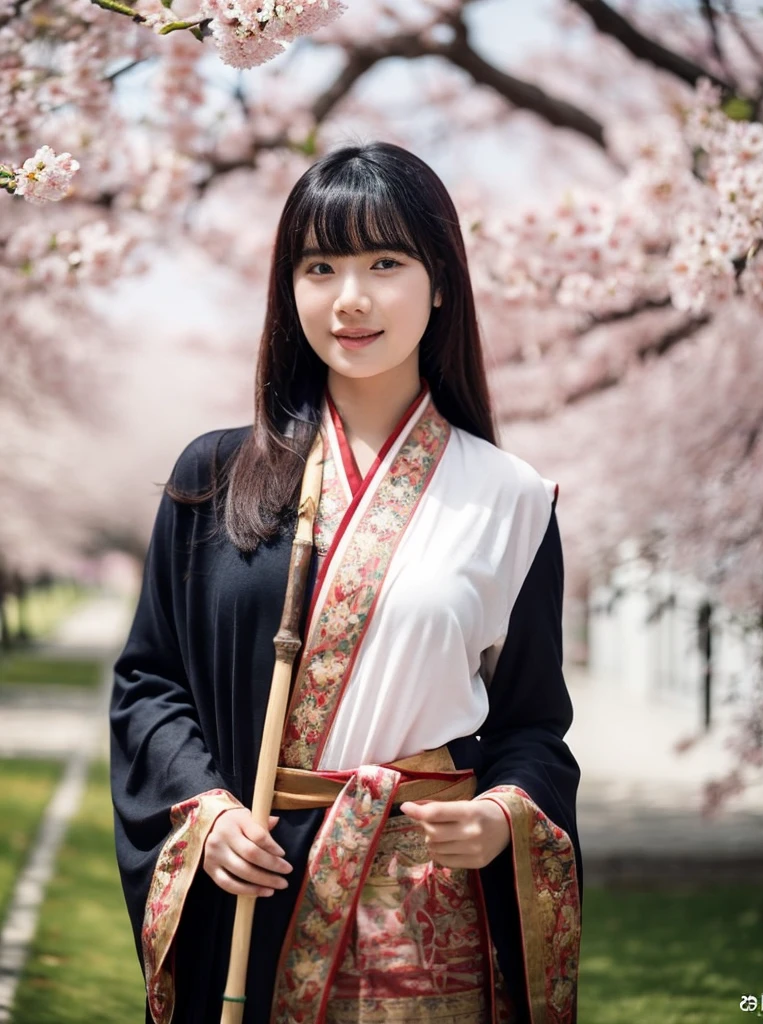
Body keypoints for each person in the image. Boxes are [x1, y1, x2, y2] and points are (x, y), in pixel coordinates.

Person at [110, 140, 583, 1024]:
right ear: (288, 287)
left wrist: (504, 815)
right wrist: (207, 816)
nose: (350, 297)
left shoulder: (513, 499)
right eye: (319, 265)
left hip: (427, 905)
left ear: (441, 281)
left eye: (385, 262)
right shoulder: (216, 477)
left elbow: (533, 727)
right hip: (259, 880)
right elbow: (150, 682)